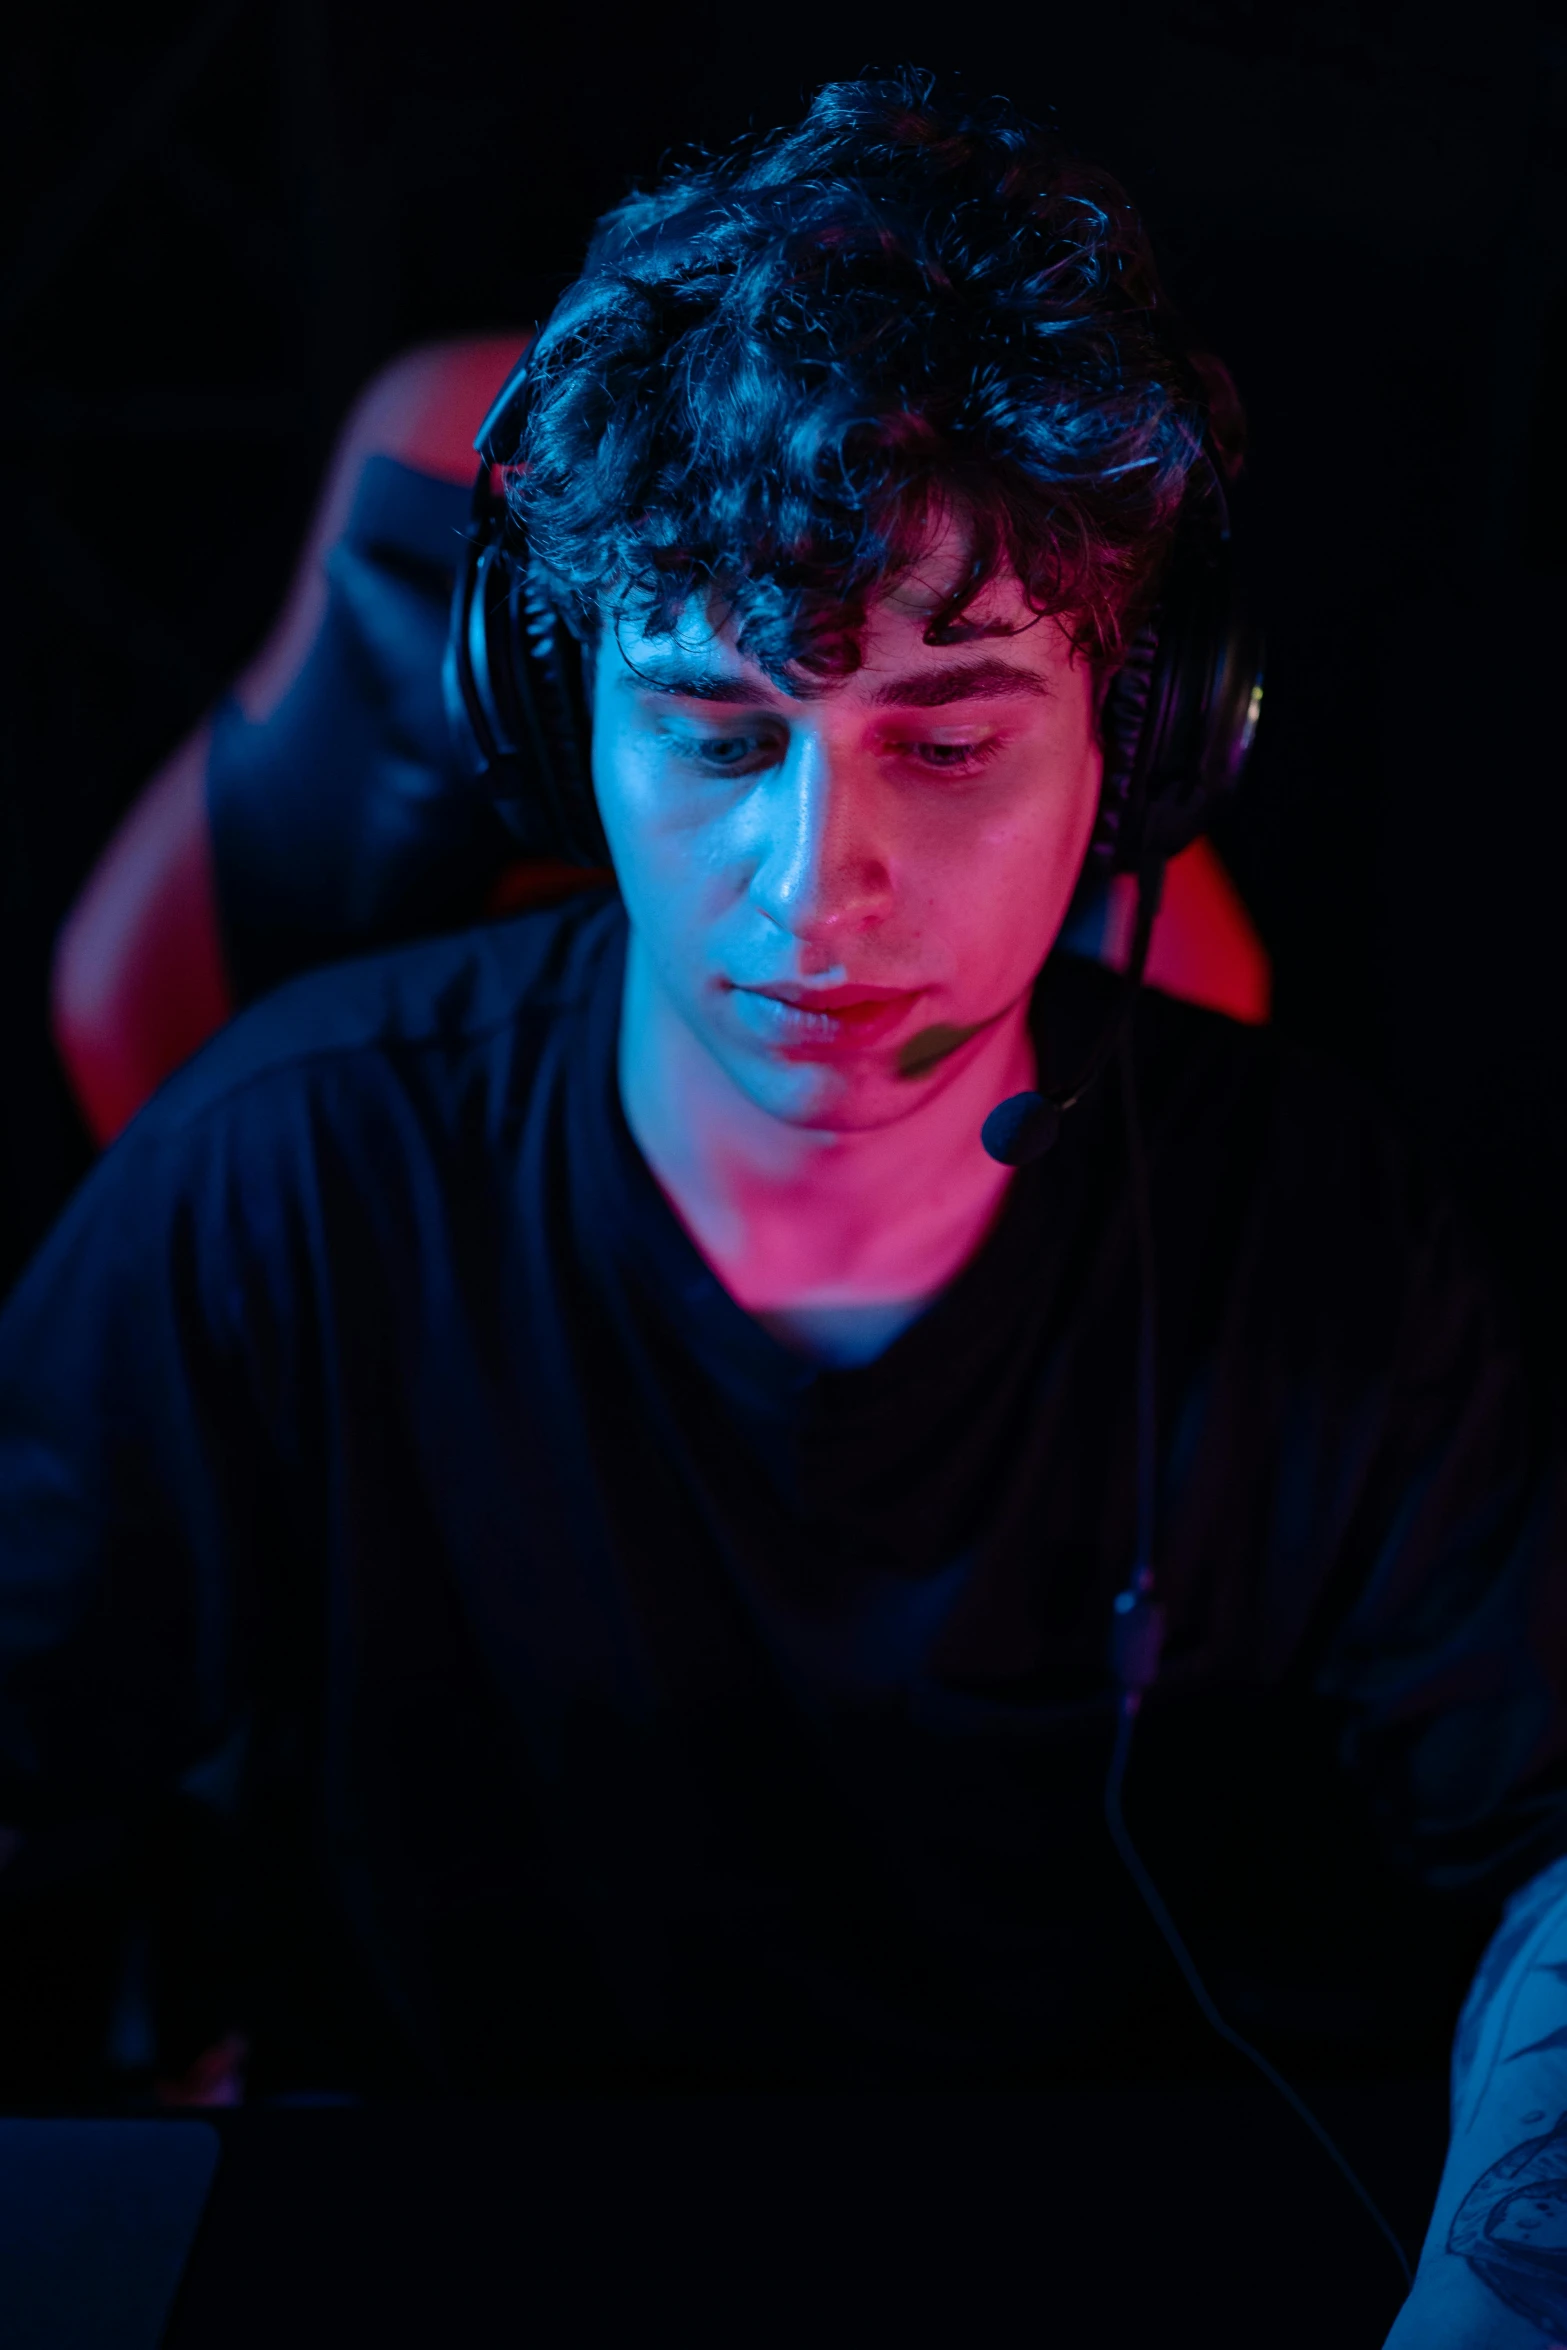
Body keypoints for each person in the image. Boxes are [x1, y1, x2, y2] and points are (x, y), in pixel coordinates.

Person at [1, 71, 1563, 2341]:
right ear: (570, 732)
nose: (809, 892)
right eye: (719, 733)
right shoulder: (284, 1176)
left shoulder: (1315, 1237)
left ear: (1131, 751)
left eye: (945, 738)